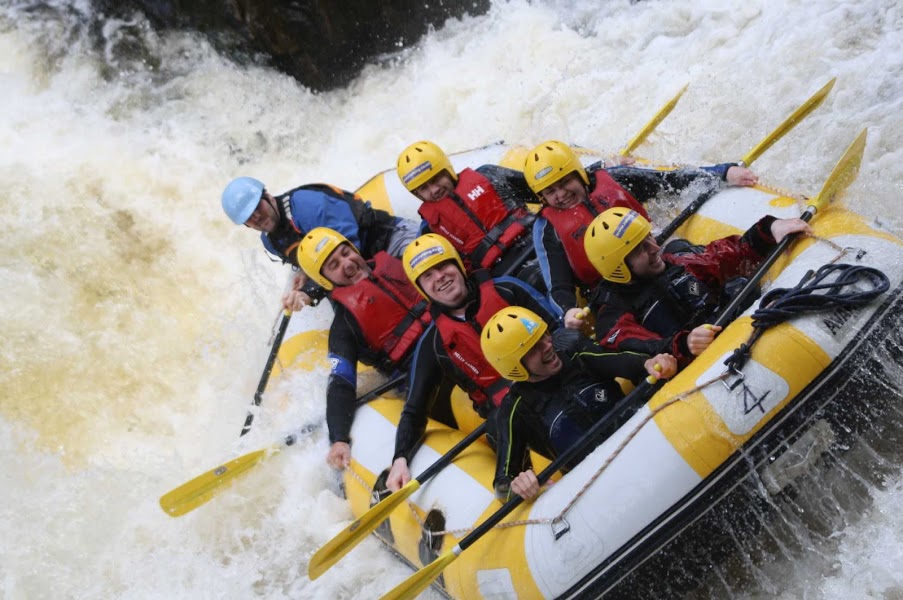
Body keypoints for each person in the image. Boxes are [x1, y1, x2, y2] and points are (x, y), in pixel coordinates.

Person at [385, 233, 561, 492]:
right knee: (500, 424)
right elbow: (415, 410)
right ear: (422, 288)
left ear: (457, 264)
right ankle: (525, 482)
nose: (440, 277)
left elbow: (559, 332)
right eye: (428, 276)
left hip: (553, 381)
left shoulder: (507, 290)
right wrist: (400, 458)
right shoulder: (434, 343)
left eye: (443, 265)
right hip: (509, 417)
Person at [523, 140, 759, 328]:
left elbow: (670, 179)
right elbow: (558, 285)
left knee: (680, 249)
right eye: (550, 191)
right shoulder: (547, 228)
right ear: (542, 197)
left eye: (565, 182)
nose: (561, 194)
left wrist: (723, 172)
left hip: (653, 259)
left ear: (579, 174)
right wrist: (567, 311)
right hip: (617, 291)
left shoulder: (613, 179)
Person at [481, 306, 678, 500]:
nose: (547, 345)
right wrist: (517, 486)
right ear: (515, 367)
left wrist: (649, 363)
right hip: (597, 485)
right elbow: (502, 485)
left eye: (543, 335)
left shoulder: (575, 352)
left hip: (640, 438)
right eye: (533, 348)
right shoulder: (515, 409)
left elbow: (628, 363)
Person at [583, 207, 812, 364]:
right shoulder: (613, 317)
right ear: (619, 266)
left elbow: (732, 253)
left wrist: (770, 228)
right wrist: (683, 344)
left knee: (739, 286)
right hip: (690, 365)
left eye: (649, 238)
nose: (655, 248)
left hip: (721, 326)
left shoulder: (679, 262)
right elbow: (641, 350)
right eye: (641, 249)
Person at [294, 228, 433, 469]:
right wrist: (339, 438)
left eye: (346, 253)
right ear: (325, 280)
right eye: (334, 265)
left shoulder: (399, 263)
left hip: (456, 344)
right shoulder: (345, 325)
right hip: (425, 378)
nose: (347, 263)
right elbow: (341, 383)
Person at [221, 176, 419, 311]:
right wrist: (304, 273)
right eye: (248, 217)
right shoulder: (270, 242)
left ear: (269, 197)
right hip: (356, 271)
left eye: (258, 206)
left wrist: (310, 292)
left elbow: (348, 249)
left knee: (422, 270)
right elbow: (315, 260)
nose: (257, 216)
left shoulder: (305, 204)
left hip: (389, 240)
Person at [396, 141, 542, 288]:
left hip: (539, 241)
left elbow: (541, 192)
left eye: (436, 179)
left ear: (447, 170)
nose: (434, 190)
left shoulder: (488, 175)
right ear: (417, 194)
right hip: (506, 278)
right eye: (424, 188)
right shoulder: (430, 234)